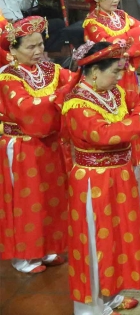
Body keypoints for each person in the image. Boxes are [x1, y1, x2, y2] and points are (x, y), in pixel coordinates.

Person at [63, 40, 140, 313]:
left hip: (118, 177)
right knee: (95, 243)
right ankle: (90, 308)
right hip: (94, 182)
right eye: (115, 71)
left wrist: (139, 113)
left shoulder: (113, 93)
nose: (120, 77)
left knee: (117, 238)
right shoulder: (77, 104)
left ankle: (112, 295)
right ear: (95, 72)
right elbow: (108, 134)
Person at [0, 17, 77, 274]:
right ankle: (24, 256)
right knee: (27, 200)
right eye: (30, 47)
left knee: (51, 198)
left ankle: (47, 247)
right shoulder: (8, 77)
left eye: (40, 45)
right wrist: (61, 96)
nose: (38, 51)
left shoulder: (49, 70)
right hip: (23, 147)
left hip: (50, 145)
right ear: (13, 50)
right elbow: (27, 109)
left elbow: (75, 82)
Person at [83, 0, 140, 165]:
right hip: (106, 76)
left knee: (131, 109)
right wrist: (131, 40)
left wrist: (125, 43)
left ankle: (132, 160)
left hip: (127, 74)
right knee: (114, 112)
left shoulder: (122, 16)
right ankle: (116, 157)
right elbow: (109, 49)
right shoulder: (92, 23)